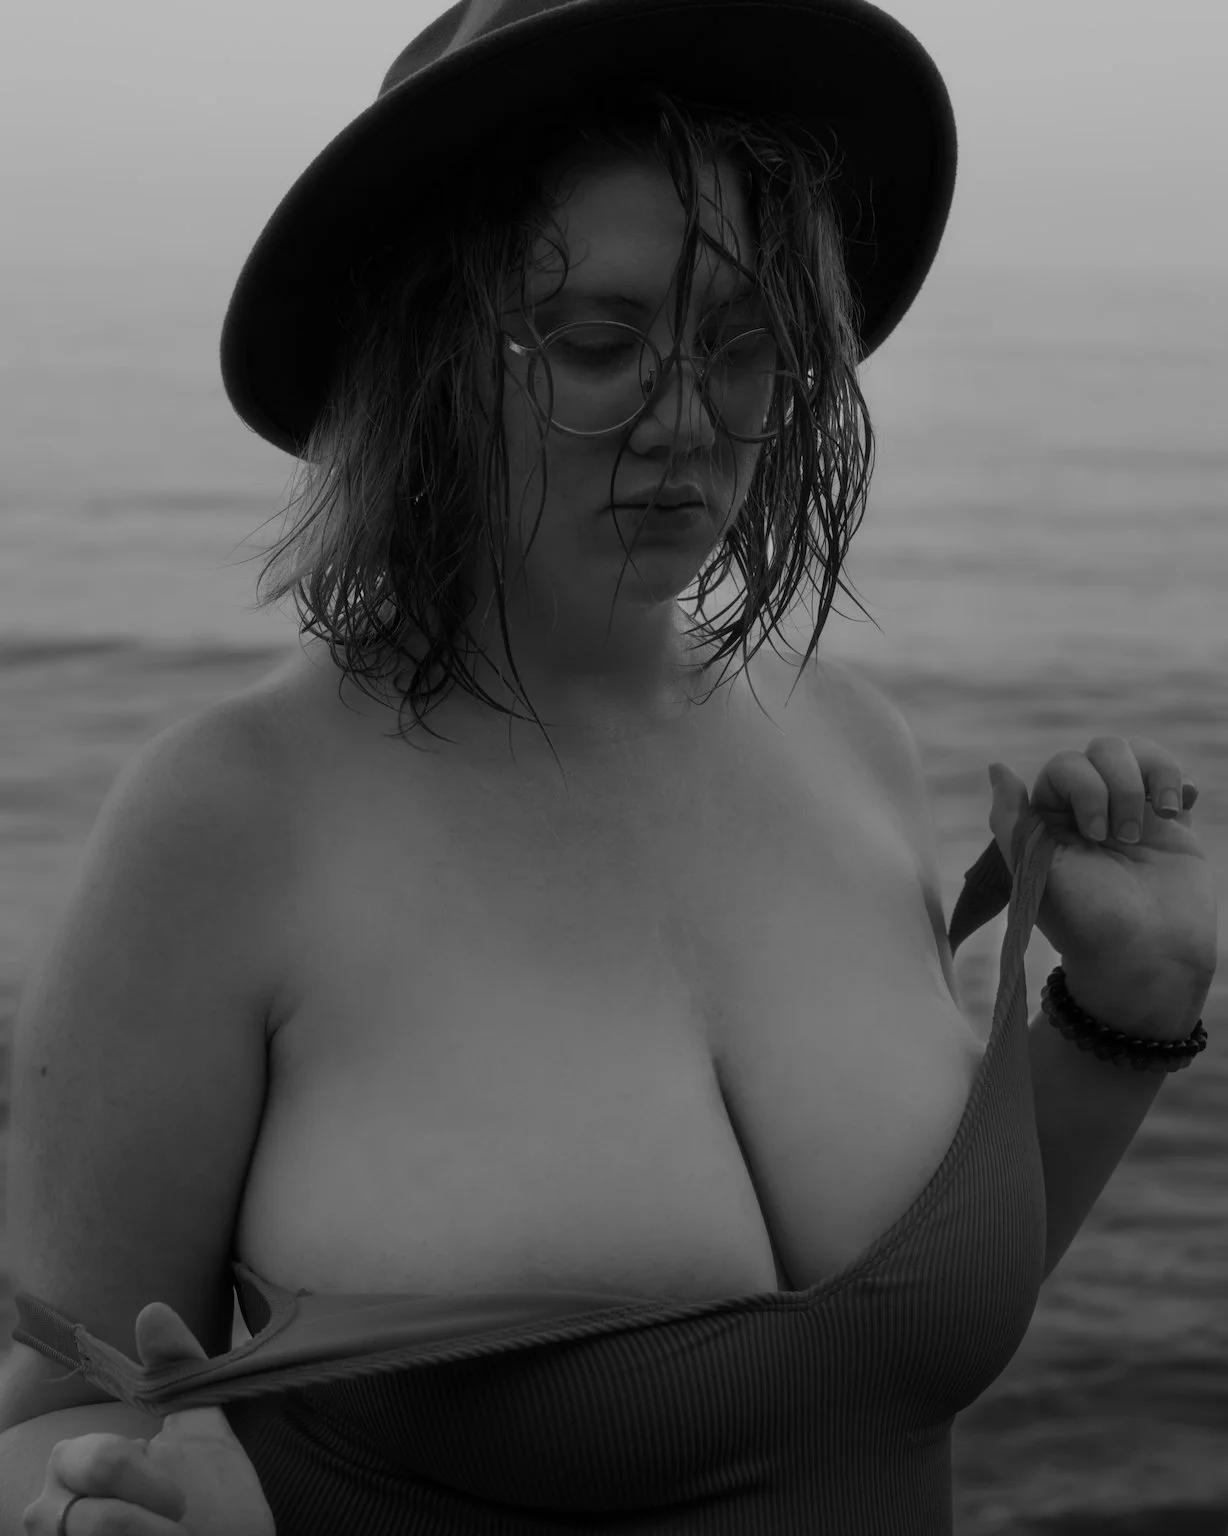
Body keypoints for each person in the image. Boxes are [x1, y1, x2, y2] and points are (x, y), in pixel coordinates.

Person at [1, 2, 1215, 1533]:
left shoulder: (848, 741)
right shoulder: (230, 821)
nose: (688, 423)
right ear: (418, 356)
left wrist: (1124, 1018)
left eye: (745, 349)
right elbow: (55, 1401)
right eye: (598, 342)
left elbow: (863, 1360)